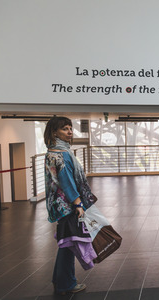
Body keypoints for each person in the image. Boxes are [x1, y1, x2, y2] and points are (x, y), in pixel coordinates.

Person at [44, 117, 97, 295]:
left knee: (65, 243)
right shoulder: (62, 154)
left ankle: (59, 279)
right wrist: (78, 203)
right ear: (54, 132)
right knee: (69, 243)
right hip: (68, 205)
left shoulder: (52, 151)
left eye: (70, 128)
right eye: (65, 129)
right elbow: (66, 182)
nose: (69, 132)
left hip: (58, 205)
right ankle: (66, 284)